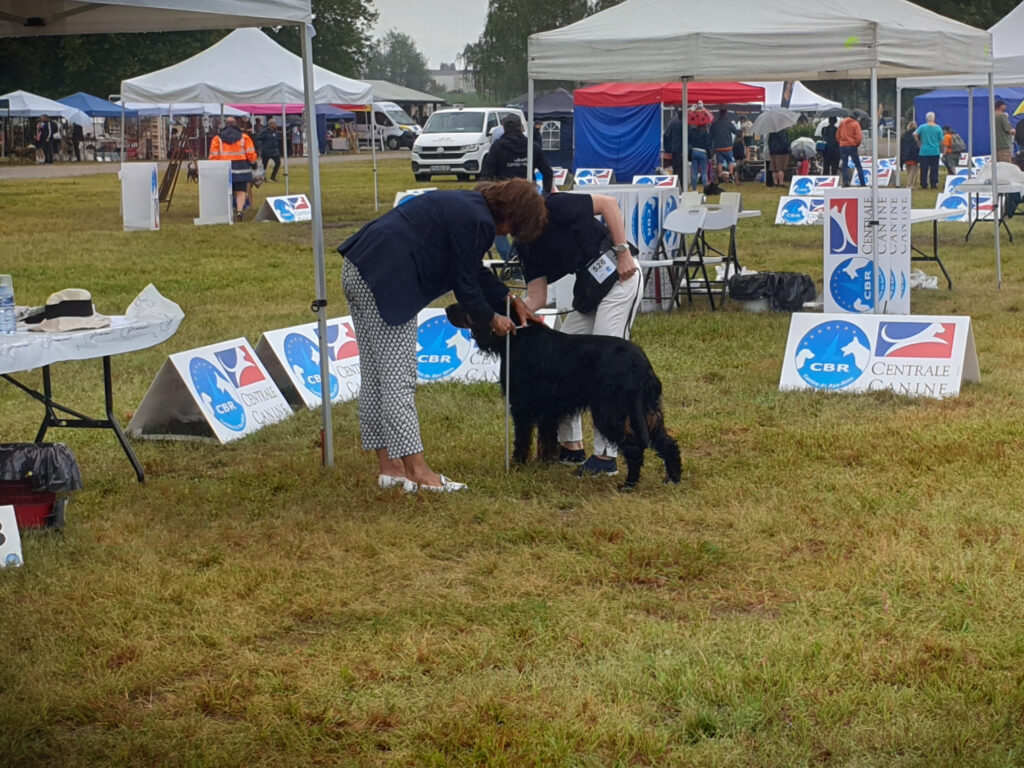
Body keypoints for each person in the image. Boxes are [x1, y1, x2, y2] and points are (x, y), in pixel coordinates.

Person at [338, 179, 547, 493]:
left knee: (376, 377)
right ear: (513, 216)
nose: (507, 235)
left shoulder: (467, 206)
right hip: (386, 282)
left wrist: (511, 300)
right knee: (398, 379)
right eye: (514, 229)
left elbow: (472, 270)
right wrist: (492, 318)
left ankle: (390, 470)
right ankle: (418, 472)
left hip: (360, 268)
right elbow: (465, 284)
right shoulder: (478, 221)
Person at [516, 191, 642, 478]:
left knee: (606, 366)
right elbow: (537, 295)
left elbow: (609, 204)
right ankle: (571, 446)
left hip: (621, 277)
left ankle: (606, 455)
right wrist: (512, 309)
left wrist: (623, 253)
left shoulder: (555, 204)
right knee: (560, 361)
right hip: (588, 290)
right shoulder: (524, 244)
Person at [480, 114, 553, 194]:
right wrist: (546, 194)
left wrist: (488, 197)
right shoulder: (532, 146)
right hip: (528, 194)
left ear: (504, 128)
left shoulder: (497, 147)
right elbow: (547, 172)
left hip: (503, 194)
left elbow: (486, 175)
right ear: (521, 127)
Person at [209, 116, 258, 221]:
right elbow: (250, 153)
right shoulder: (244, 137)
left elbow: (213, 155)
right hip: (241, 167)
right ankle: (239, 211)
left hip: (223, 168)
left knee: (226, 190)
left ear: (225, 125)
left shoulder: (217, 139)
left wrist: (215, 167)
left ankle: (227, 211)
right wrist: (253, 163)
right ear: (237, 125)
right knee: (241, 190)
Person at [914, 111, 943, 190]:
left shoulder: (922, 127)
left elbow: (915, 134)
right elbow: (941, 140)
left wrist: (918, 141)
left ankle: (924, 184)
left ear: (926, 118)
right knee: (934, 168)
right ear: (934, 118)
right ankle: (933, 183)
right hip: (935, 151)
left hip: (924, 151)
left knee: (924, 169)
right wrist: (940, 148)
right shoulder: (938, 128)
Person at [837, 114, 866, 187]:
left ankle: (845, 182)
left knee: (844, 164)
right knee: (858, 165)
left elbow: (837, 135)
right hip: (852, 146)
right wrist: (856, 144)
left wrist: (841, 142)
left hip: (843, 146)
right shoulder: (855, 124)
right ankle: (862, 183)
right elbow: (859, 137)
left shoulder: (842, 123)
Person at [710, 109, 738, 181]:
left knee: (720, 162)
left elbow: (711, 135)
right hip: (728, 146)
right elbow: (735, 132)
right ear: (725, 114)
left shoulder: (715, 124)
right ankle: (731, 174)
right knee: (730, 161)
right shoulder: (728, 123)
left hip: (718, 147)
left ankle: (719, 176)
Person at [256, 118, 282, 182]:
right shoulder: (264, 132)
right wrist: (261, 147)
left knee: (278, 163)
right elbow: (258, 138)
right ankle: (263, 177)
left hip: (274, 151)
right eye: (275, 123)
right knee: (264, 165)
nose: (276, 125)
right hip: (266, 151)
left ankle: (273, 177)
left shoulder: (276, 132)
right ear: (271, 124)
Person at [689, 118, 712, 188]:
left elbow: (689, 141)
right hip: (703, 152)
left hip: (694, 151)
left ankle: (694, 189)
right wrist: (709, 156)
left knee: (694, 173)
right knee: (704, 172)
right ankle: (705, 188)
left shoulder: (692, 131)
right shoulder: (705, 133)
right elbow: (708, 145)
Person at [664, 109, 683, 182]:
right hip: (682, 149)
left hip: (674, 148)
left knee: (675, 167)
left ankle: (675, 182)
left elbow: (667, 135)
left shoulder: (672, 123)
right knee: (681, 167)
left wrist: (667, 148)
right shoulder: (686, 123)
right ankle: (681, 182)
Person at [995, 99, 1016, 164]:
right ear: (1001, 106)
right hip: (1004, 147)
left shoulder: (993, 115)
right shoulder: (1002, 116)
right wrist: (1014, 130)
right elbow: (1009, 130)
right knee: (1007, 166)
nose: (1006, 106)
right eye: (1005, 105)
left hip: (996, 146)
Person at [900, 121, 920, 189]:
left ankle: (910, 183)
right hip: (913, 155)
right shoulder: (917, 135)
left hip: (905, 155)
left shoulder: (904, 135)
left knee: (908, 170)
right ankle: (909, 184)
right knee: (913, 170)